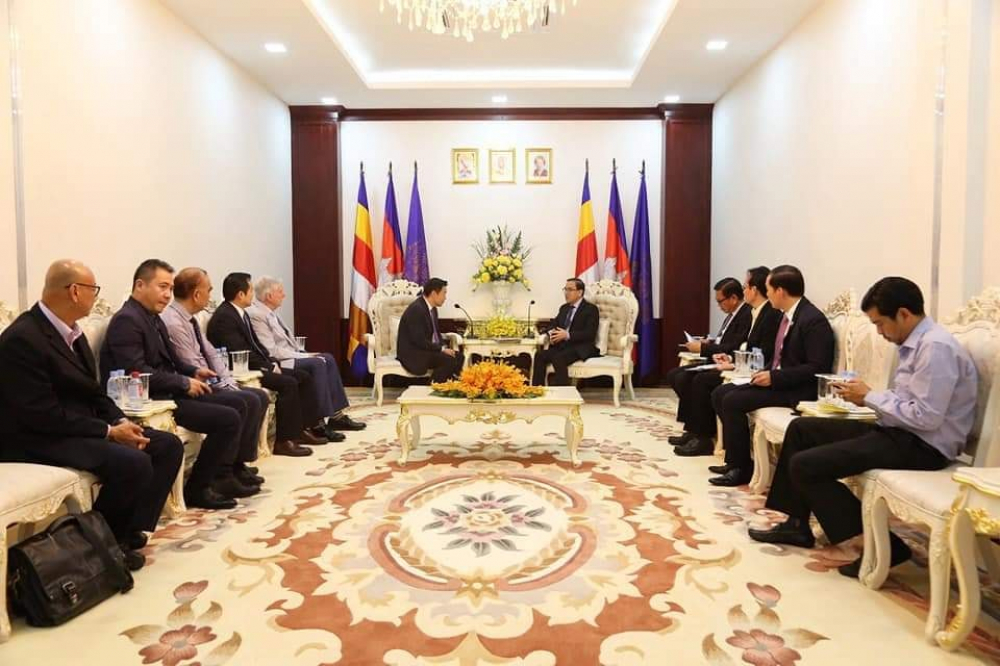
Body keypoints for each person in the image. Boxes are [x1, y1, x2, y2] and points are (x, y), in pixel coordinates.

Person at [748, 277, 978, 577]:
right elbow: (906, 400)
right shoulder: (917, 344)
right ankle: (796, 524)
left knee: (805, 465)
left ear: (903, 314)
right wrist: (865, 398)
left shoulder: (935, 348)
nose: (880, 332)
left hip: (923, 446)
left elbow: (926, 417)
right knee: (802, 429)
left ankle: (887, 546)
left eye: (881, 323)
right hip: (899, 432)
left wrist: (869, 396)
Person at [0, 260, 183, 571]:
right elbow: (41, 415)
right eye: (93, 289)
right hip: (35, 438)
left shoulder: (73, 333)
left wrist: (121, 421)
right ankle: (101, 547)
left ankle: (127, 531)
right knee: (133, 462)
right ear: (75, 291)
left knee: (167, 446)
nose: (95, 296)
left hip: (75, 427)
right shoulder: (23, 339)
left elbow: (94, 393)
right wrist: (108, 432)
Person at [101, 259, 257, 511]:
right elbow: (136, 371)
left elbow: (171, 360)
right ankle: (200, 487)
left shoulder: (151, 317)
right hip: (153, 399)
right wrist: (183, 382)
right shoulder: (127, 320)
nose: (167, 295)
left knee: (238, 403)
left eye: (170, 289)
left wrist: (193, 371)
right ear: (140, 285)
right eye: (162, 287)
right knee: (228, 418)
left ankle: (225, 474)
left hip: (170, 390)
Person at [708, 265, 835, 486]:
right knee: (721, 393)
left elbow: (817, 367)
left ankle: (740, 469)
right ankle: (736, 459)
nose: (766, 294)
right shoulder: (788, 315)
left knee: (732, 400)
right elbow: (778, 357)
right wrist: (764, 372)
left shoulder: (812, 320)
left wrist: (774, 378)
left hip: (797, 389)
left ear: (780, 291)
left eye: (768, 289)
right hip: (780, 381)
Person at [160, 267, 269, 486]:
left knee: (258, 397)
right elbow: (191, 363)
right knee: (244, 401)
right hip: (193, 386)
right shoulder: (173, 322)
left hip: (206, 380)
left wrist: (227, 381)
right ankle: (223, 473)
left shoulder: (190, 318)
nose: (211, 295)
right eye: (208, 290)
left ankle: (237, 464)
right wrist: (221, 384)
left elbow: (210, 352)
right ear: (196, 294)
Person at [207, 272, 325, 456]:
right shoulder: (225, 317)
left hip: (255, 365)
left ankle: (302, 429)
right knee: (288, 383)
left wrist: (271, 362)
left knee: (303, 377)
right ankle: (284, 441)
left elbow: (257, 346)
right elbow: (240, 351)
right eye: (251, 290)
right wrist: (268, 367)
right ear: (240, 294)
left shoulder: (240, 313)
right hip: (243, 370)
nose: (253, 294)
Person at [673, 267, 782, 457]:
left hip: (755, 371)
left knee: (701, 381)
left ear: (754, 289)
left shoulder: (767, 314)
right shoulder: (757, 311)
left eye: (745, 286)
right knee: (683, 376)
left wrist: (732, 360)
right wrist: (731, 359)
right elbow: (745, 346)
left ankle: (704, 437)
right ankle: (694, 430)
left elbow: (760, 351)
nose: (743, 291)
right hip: (740, 363)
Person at [247, 276, 365, 440]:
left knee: (328, 358)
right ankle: (317, 423)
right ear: (269, 296)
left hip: (291, 356)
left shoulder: (270, 313)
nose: (284, 295)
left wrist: (303, 353)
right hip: (280, 362)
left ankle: (336, 417)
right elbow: (271, 350)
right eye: (280, 292)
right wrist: (304, 355)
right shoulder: (257, 315)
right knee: (317, 364)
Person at [664, 276, 751, 398]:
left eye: (720, 301)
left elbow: (734, 346)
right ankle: (690, 410)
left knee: (686, 378)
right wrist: (710, 342)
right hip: (716, 358)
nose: (718, 306)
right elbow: (725, 340)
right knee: (674, 374)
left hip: (728, 362)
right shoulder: (732, 314)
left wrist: (703, 348)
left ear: (733, 298)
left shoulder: (746, 315)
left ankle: (697, 411)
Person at [531, 278, 600, 387]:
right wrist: (552, 335)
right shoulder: (564, 308)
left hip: (579, 347)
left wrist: (567, 335)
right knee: (540, 355)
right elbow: (553, 324)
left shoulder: (591, 309)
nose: (566, 293)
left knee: (559, 358)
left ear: (580, 292)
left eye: (570, 290)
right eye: (565, 289)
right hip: (562, 346)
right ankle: (537, 390)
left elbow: (589, 334)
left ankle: (563, 392)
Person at [397, 277, 464, 383]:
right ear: (433, 293)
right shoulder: (417, 309)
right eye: (444, 293)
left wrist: (444, 348)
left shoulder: (432, 309)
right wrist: (441, 349)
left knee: (459, 357)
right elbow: (419, 340)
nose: (445, 298)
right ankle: (434, 386)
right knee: (448, 360)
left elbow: (436, 334)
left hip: (426, 349)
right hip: (414, 353)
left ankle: (447, 384)